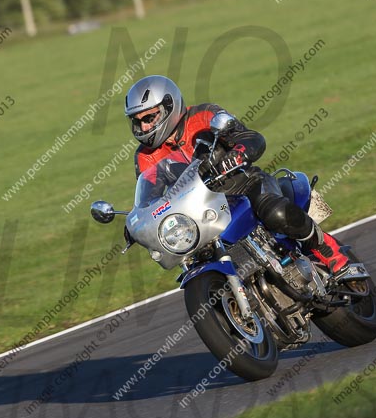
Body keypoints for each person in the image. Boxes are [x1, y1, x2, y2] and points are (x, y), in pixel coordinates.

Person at [125, 75, 349, 277]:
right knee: (195, 256)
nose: (144, 127)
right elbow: (151, 196)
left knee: (275, 212)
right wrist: (140, 222)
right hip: (203, 210)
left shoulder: (203, 115)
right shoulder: (145, 156)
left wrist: (238, 154)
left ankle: (329, 252)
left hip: (244, 184)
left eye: (149, 118)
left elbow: (250, 138)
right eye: (137, 121)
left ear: (169, 107)